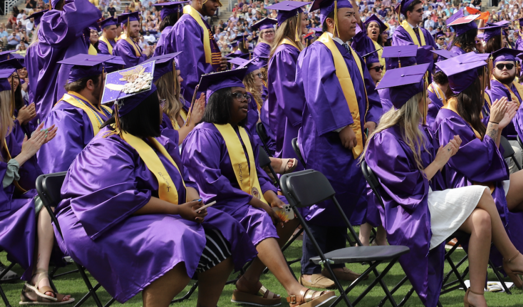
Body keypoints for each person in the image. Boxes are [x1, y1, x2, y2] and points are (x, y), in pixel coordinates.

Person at [56, 59, 256, 307]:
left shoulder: (154, 141)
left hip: (141, 212)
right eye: (159, 103)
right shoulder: (107, 148)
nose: (163, 108)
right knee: (178, 240)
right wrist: (177, 210)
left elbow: (181, 181)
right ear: (144, 110)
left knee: (224, 230)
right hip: (95, 221)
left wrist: (192, 199)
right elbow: (119, 198)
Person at [365, 63, 523, 307]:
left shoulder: (415, 132)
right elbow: (407, 188)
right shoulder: (385, 139)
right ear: (412, 103)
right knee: (482, 193)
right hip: (410, 212)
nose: (428, 104)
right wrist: (440, 162)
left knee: (482, 220)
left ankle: (475, 294)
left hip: (429, 199)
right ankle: (513, 257)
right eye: (423, 100)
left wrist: (446, 156)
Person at [182, 67, 329, 307]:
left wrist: (272, 198)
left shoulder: (241, 132)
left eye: (245, 95)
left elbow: (256, 173)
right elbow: (211, 183)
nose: (245, 99)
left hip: (243, 202)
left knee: (289, 213)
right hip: (217, 205)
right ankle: (295, 292)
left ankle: (248, 282)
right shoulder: (204, 135)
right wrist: (259, 204)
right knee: (259, 217)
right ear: (219, 100)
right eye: (237, 95)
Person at [433, 53, 523, 292]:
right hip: (471, 189)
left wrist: (498, 127)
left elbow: (489, 155)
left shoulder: (464, 113)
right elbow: (478, 163)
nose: (485, 89)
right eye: (481, 82)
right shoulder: (446, 119)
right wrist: (493, 125)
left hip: (486, 182)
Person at [297, 0, 377, 289]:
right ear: (330, 21)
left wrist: (370, 119)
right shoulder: (320, 49)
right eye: (348, 15)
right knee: (320, 198)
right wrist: (342, 125)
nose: (355, 19)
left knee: (340, 198)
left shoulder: (349, 51)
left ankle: (334, 262)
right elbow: (321, 92)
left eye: (355, 14)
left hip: (351, 138)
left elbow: (367, 91)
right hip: (325, 139)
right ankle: (309, 268)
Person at [0, 66, 66, 305]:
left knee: (47, 197)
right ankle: (39, 278)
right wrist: (24, 154)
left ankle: (36, 281)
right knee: (43, 202)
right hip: (2, 208)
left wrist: (31, 148)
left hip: (6, 201)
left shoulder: (6, 125)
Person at [26, 0, 101, 124]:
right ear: (67, 2)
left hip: (77, 101)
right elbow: (71, 21)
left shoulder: (78, 30)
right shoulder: (50, 21)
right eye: (78, 0)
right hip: (61, 105)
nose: (84, 3)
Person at [37, 54, 114, 175]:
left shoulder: (103, 108)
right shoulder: (63, 115)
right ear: (90, 84)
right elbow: (65, 166)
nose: (107, 83)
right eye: (103, 79)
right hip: (84, 185)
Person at [265, 0, 310, 160]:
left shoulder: (292, 48)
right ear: (293, 23)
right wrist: (310, 120)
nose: (306, 23)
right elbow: (290, 96)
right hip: (293, 122)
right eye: (303, 19)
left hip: (299, 120)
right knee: (294, 165)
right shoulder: (284, 53)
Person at [173, 0, 227, 104]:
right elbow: (193, 69)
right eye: (213, 0)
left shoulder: (198, 22)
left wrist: (218, 64)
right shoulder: (187, 24)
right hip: (196, 96)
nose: (217, 5)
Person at [154, 52, 205, 147]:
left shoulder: (181, 103)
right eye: (177, 76)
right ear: (165, 82)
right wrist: (192, 122)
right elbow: (167, 142)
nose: (181, 79)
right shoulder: (155, 114)